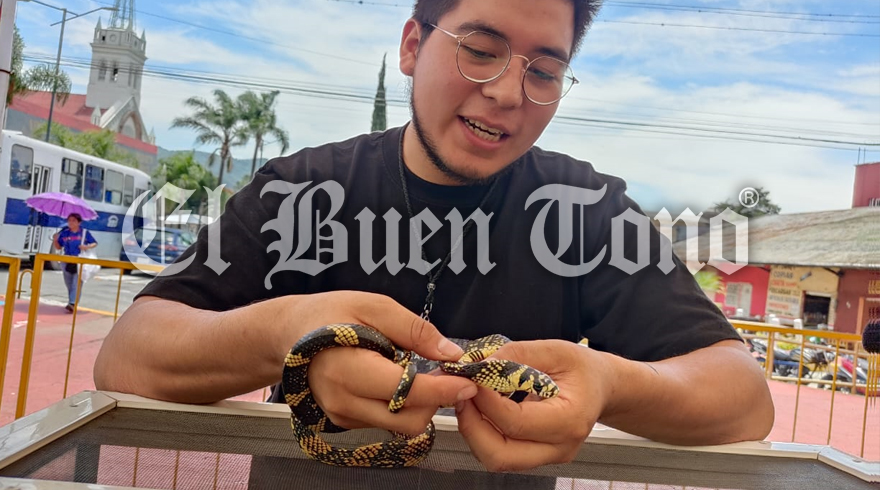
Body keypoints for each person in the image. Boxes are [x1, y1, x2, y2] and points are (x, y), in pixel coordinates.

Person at [94, 0, 774, 472]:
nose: (508, 92)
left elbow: (742, 399)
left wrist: (610, 384)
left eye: (543, 71)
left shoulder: (586, 210)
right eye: (480, 51)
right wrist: (291, 336)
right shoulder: (301, 188)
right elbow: (128, 358)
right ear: (413, 47)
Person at [53, 213, 97, 313]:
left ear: (79, 222)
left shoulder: (84, 233)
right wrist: (55, 240)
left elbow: (94, 243)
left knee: (76, 283)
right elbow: (58, 247)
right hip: (66, 261)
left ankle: (72, 303)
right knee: (68, 283)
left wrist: (86, 247)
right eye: (69, 220)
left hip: (80, 261)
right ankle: (71, 301)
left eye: (73, 221)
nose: (71, 223)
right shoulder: (64, 233)